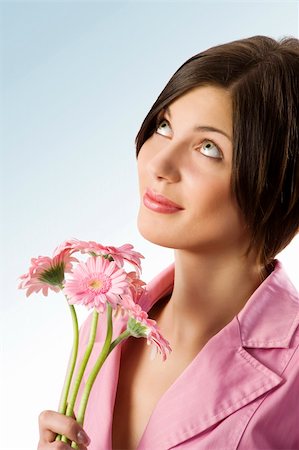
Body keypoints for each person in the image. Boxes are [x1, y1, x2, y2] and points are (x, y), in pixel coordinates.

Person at [38, 35, 299, 450]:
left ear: (278, 187)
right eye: (163, 126)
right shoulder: (106, 327)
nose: (159, 164)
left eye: (208, 148)